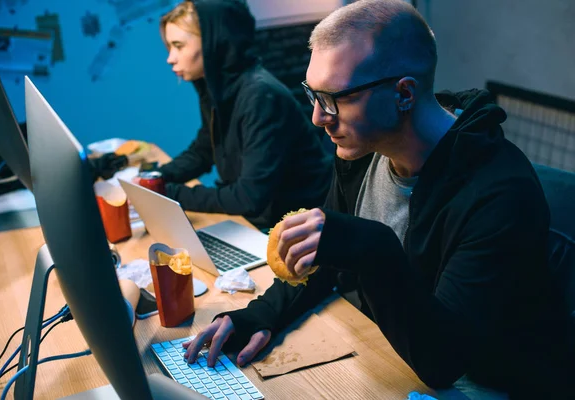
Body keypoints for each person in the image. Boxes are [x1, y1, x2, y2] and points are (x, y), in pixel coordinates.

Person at [181, 0, 575, 398]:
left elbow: (444, 360)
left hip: (487, 378)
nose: (318, 117)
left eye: (334, 98)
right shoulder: (363, 147)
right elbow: (329, 256)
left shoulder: (499, 193)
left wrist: (371, 246)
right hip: (392, 347)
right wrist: (262, 314)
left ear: (403, 93)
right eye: (313, 95)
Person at [156, 0, 331, 231]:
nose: (171, 58)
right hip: (263, 221)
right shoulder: (217, 89)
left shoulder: (260, 95)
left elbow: (249, 197)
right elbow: (203, 150)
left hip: (295, 228)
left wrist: (167, 192)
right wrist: (155, 177)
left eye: (178, 46)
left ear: (213, 42)